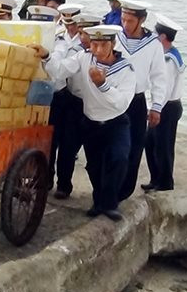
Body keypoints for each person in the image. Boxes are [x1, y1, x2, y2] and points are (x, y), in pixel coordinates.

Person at [35, 24, 135, 221]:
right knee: (94, 166)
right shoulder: (84, 57)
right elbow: (61, 69)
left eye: (103, 45)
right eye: (94, 44)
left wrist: (102, 85)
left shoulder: (126, 68)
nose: (97, 50)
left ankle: (110, 203)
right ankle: (100, 202)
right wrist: (46, 55)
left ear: (113, 44)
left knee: (119, 159)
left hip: (115, 123)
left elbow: (122, 102)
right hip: (91, 121)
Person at [115, 0, 168, 202]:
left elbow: (159, 77)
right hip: (115, 98)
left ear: (142, 20)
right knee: (111, 148)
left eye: (130, 21)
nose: (125, 25)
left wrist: (156, 107)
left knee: (134, 148)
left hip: (136, 101)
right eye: (123, 19)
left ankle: (123, 191)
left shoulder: (153, 45)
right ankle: (107, 188)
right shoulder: (116, 37)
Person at [47, 6, 93, 198]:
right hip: (57, 94)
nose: (71, 29)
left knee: (69, 144)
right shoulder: (57, 36)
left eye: (74, 24)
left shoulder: (87, 43)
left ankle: (64, 184)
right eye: (67, 24)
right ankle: (46, 179)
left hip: (75, 96)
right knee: (50, 141)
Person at [144, 14, 185, 192]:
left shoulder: (168, 59)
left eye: (155, 33)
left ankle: (165, 183)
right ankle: (156, 178)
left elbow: (165, 89)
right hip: (165, 106)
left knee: (163, 146)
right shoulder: (167, 54)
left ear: (162, 37)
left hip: (167, 107)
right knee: (151, 142)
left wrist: (155, 108)